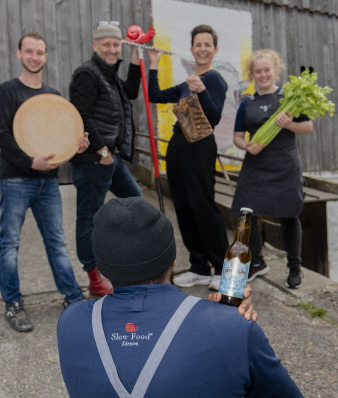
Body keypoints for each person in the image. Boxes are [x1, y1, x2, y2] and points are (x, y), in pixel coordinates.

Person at [57, 196, 303, 398]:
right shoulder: (232, 327)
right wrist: (224, 322)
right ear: (173, 262)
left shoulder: (71, 322)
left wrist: (209, 317)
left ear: (101, 269)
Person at [0, 32, 88, 333]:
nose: (35, 57)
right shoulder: (8, 91)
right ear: (19, 54)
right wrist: (29, 162)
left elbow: (60, 141)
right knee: (10, 244)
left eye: (40, 52)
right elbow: (1, 135)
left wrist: (77, 147)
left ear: (46, 56)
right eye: (29, 51)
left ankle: (73, 298)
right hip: (17, 179)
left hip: (49, 182)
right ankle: (13, 304)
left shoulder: (54, 97)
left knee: (57, 243)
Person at [148, 24, 230, 291]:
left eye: (208, 44)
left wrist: (202, 92)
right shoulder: (187, 82)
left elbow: (214, 117)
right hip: (178, 146)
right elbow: (155, 96)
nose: (203, 49)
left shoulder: (214, 80)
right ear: (192, 49)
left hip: (201, 148)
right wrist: (152, 64)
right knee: (183, 207)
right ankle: (198, 267)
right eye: (198, 44)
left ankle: (221, 268)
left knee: (202, 206)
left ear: (214, 50)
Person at [69, 21, 142, 297]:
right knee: (89, 218)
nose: (112, 49)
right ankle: (95, 276)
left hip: (111, 158)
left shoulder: (109, 75)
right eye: (106, 45)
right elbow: (81, 115)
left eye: (116, 45)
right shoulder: (87, 74)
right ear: (95, 46)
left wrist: (136, 56)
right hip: (94, 159)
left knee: (137, 206)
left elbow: (131, 92)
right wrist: (102, 152)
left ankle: (130, 264)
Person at [232, 49, 313, 288]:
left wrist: (289, 123)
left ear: (275, 71)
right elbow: (237, 136)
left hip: (284, 165)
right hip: (255, 165)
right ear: (252, 74)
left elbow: (307, 127)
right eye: (258, 71)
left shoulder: (289, 98)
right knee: (246, 212)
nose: (263, 75)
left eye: (267, 70)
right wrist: (245, 145)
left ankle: (295, 268)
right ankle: (256, 262)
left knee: (289, 214)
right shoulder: (247, 103)